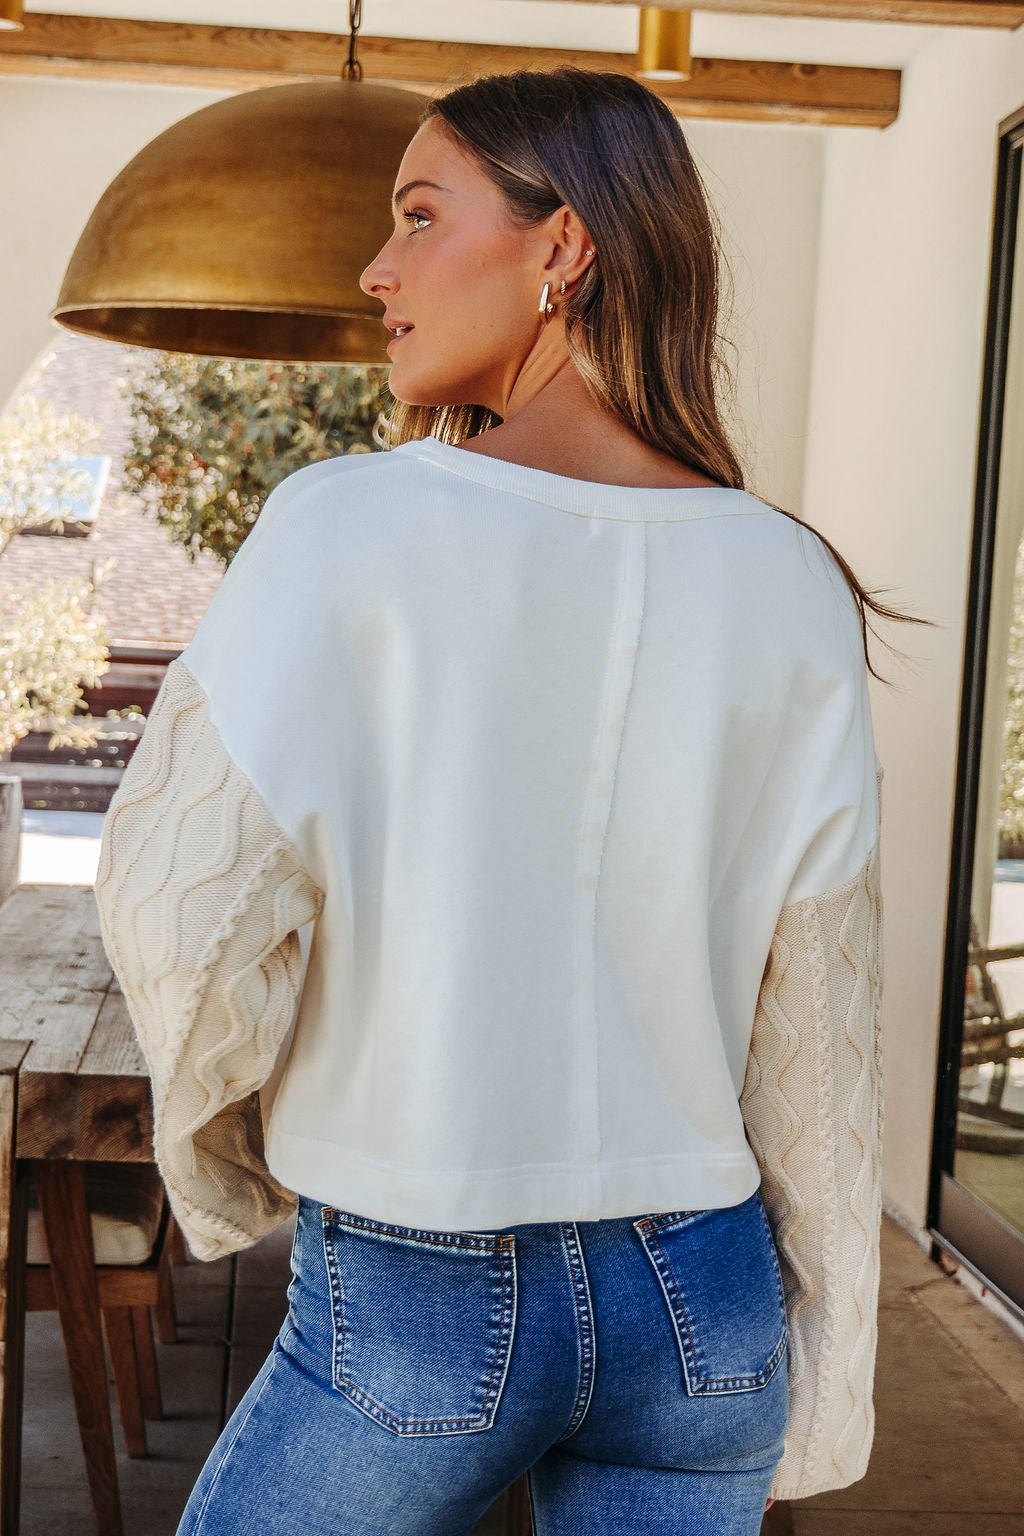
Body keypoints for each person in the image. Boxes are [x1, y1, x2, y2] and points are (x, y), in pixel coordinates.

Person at [93, 67, 904, 1536]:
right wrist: (831, 1346)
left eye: (418, 215)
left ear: (562, 248)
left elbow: (180, 911)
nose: (375, 270)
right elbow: (822, 1019)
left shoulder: (347, 525)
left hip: (421, 1280)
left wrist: (225, 1164)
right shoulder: (790, 578)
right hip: (700, 1291)